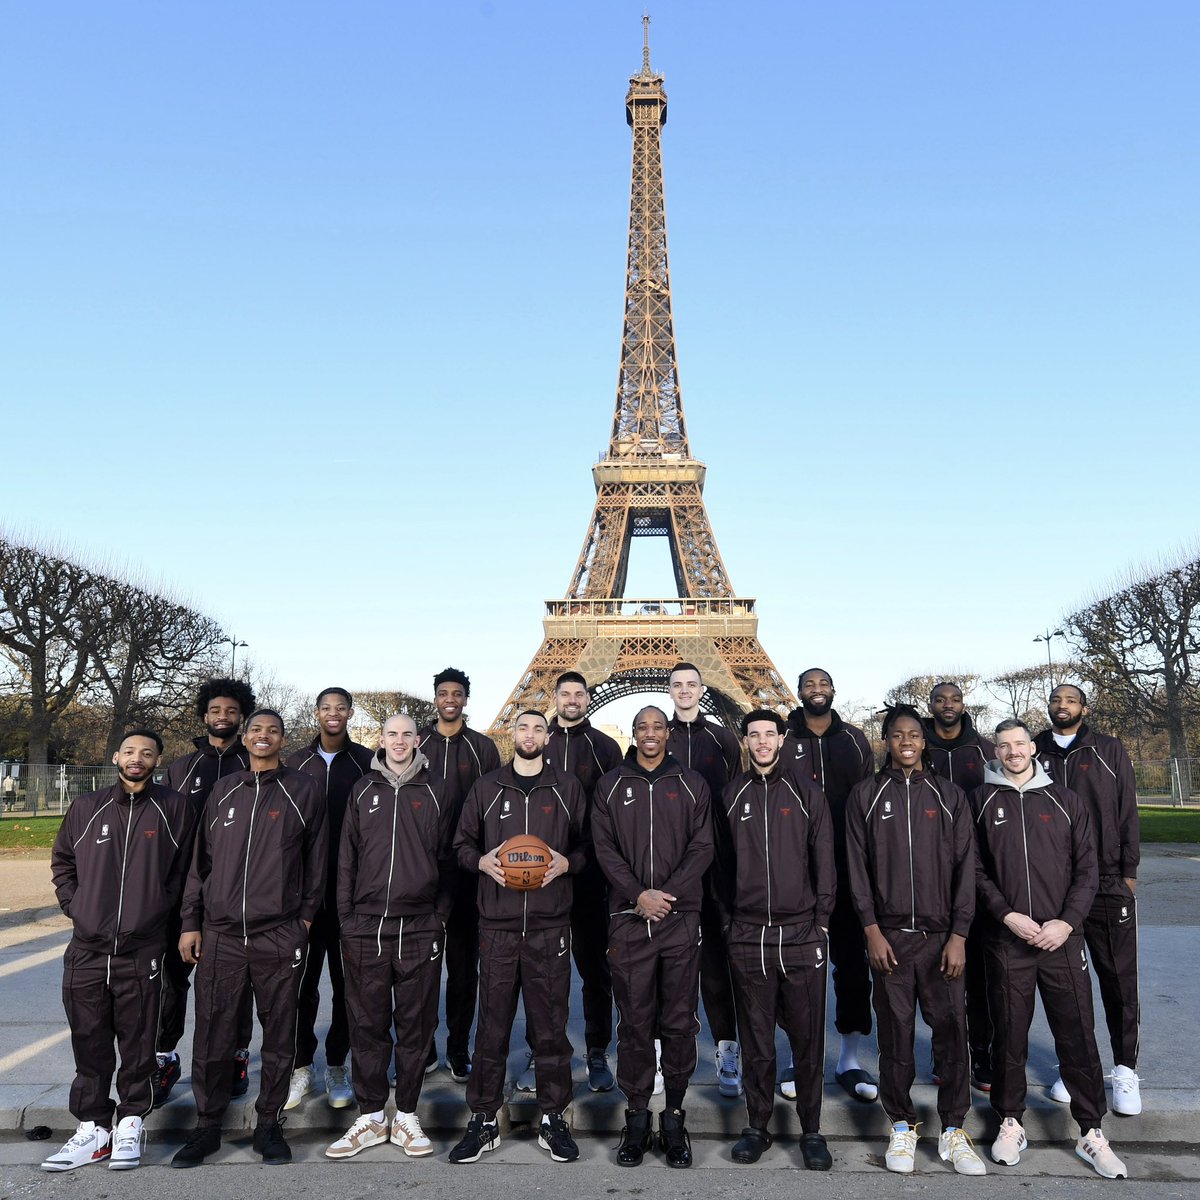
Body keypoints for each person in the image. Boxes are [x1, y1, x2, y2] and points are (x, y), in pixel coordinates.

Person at [172, 708, 328, 1168]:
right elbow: (200, 864)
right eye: (256, 730)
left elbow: (317, 860)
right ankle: (207, 1125)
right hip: (220, 933)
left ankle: (269, 1124)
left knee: (279, 1034)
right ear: (245, 737)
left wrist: (303, 920)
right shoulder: (224, 789)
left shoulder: (303, 790)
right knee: (213, 1033)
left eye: (272, 731)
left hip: (277, 932)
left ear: (283, 739)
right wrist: (191, 921)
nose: (263, 736)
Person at [973, 719, 1128, 1179]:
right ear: (996, 752)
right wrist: (1007, 915)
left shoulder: (1066, 800)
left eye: (1020, 743)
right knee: (1009, 1034)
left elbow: (1087, 869)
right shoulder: (979, 801)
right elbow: (974, 869)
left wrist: (1066, 921)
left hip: (1061, 938)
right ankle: (1010, 1121)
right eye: (1004, 745)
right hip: (1008, 938)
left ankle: (1091, 1131)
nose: (1013, 751)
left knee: (1077, 1033)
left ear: (1032, 748)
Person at [43, 730, 195, 1172]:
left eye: (146, 753)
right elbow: (63, 861)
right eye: (130, 751)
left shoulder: (175, 808)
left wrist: (160, 910)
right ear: (116, 757)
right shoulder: (87, 807)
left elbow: (187, 871)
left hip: (142, 948)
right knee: (89, 1041)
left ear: (157, 760)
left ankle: (130, 1122)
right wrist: (76, 906)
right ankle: (93, 1129)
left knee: (138, 1042)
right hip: (87, 947)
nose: (137, 758)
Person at [846, 706, 986, 1177]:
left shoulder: (949, 795)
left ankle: (954, 1128)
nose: (905, 741)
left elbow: (966, 868)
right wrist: (870, 929)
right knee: (895, 1036)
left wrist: (960, 934)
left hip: (942, 938)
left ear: (924, 741)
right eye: (896, 734)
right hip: (889, 939)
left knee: (952, 1034)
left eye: (913, 734)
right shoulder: (866, 794)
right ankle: (902, 1124)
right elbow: (856, 868)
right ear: (885, 741)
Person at [448, 710, 588, 1164]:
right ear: (513, 733)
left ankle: (553, 1116)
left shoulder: (567, 787)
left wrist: (569, 863)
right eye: (523, 727)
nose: (530, 734)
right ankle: (485, 1117)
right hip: (498, 926)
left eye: (538, 729)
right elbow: (461, 844)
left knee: (550, 1030)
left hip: (550, 926)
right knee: (491, 1029)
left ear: (549, 736)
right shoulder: (487, 787)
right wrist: (480, 861)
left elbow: (589, 845)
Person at [325, 714, 455, 1159]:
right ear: (381, 740)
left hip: (419, 924)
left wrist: (439, 916)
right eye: (391, 734)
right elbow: (346, 857)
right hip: (365, 925)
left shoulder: (438, 790)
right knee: (367, 1025)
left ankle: (407, 1114)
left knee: (417, 1026)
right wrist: (346, 918)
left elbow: (449, 858)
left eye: (407, 735)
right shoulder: (363, 789)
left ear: (418, 741)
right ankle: (371, 1115)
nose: (399, 741)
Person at [592, 706, 714, 1169]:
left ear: (668, 733)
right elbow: (604, 848)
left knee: (679, 1022)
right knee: (635, 1023)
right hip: (628, 918)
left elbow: (702, 846)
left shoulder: (692, 783)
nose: (649, 733)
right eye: (642, 727)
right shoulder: (609, 785)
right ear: (634, 733)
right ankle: (638, 1117)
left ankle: (675, 1116)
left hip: (679, 918)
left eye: (657, 727)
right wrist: (637, 894)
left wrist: (665, 896)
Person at [718, 711, 835, 1170]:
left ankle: (812, 1129)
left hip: (802, 932)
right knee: (756, 1041)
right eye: (755, 735)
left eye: (770, 734)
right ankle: (757, 1126)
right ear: (745, 741)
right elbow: (720, 866)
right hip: (748, 935)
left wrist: (821, 922)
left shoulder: (807, 792)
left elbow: (824, 858)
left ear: (783, 739)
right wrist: (729, 924)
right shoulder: (731, 795)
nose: (763, 741)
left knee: (808, 1041)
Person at [1034, 684, 1142, 1115]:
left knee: (1118, 980)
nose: (1062, 705)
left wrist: (1128, 873)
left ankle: (1125, 1068)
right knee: (1068, 988)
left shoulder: (1108, 749)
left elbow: (1127, 810)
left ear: (1084, 708)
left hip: (1106, 881)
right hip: (1054, 889)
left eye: (1070, 700)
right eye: (1056, 699)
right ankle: (1075, 1067)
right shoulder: (1034, 749)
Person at [155, 678, 255, 1107]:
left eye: (231, 711)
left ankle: (235, 1055)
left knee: (236, 984)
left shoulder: (251, 762)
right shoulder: (183, 768)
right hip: (182, 891)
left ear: (241, 716)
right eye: (216, 710)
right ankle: (165, 1056)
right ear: (204, 715)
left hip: (234, 893)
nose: (223, 717)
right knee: (172, 979)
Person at [784, 667, 877, 1102]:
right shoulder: (783, 739)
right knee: (794, 969)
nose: (816, 690)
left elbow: (871, 800)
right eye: (809, 685)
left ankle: (849, 1060)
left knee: (853, 965)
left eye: (823, 684)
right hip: (796, 870)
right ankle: (797, 1056)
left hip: (847, 866)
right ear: (799, 692)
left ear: (833, 690)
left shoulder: (855, 740)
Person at [284, 687, 374, 1111]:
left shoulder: (367, 762)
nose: (333, 713)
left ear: (350, 713)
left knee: (347, 987)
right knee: (300, 986)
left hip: (350, 892)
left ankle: (337, 1063)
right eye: (326, 707)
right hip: (303, 894)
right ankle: (301, 1065)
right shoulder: (294, 763)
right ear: (316, 712)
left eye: (340, 707)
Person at [418, 667, 501, 1080]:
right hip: (423, 869)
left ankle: (457, 1045)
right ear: (435, 698)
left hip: (468, 869)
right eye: (443, 693)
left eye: (457, 693)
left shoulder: (483, 747)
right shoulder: (416, 743)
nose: (450, 699)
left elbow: (495, 807)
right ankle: (423, 1046)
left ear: (466, 699)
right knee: (420, 968)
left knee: (464, 968)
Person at [666, 662, 744, 1098]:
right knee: (665, 966)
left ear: (701, 689)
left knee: (716, 964)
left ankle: (727, 1048)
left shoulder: (724, 739)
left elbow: (735, 799)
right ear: (670, 690)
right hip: (667, 867)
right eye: (677, 684)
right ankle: (663, 1053)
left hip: (714, 866)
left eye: (692, 684)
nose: (685, 690)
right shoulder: (658, 736)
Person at [542, 670, 622, 1093]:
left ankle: (596, 1050)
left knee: (595, 970)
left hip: (590, 876)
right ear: (555, 697)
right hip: (543, 875)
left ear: (588, 697)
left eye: (578, 693)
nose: (572, 699)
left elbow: (618, 813)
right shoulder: (538, 740)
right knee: (544, 973)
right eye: (565, 693)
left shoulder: (605, 747)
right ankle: (545, 1052)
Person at [924, 681, 996, 1092]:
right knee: (942, 975)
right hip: (932, 874)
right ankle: (945, 1051)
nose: (947, 705)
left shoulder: (984, 750)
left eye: (954, 699)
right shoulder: (918, 748)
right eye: (940, 699)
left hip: (980, 868)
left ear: (963, 704)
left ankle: (981, 1051)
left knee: (981, 972)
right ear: (930, 705)